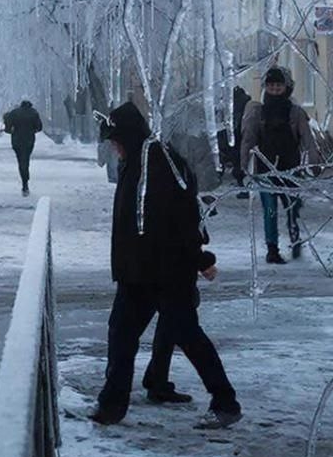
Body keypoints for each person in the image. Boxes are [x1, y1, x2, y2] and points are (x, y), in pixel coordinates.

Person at [90, 101, 241, 430]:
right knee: (121, 334)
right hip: (139, 272)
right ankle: (112, 405)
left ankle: (226, 403)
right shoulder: (138, 159)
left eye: (114, 141)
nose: (113, 148)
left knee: (188, 336)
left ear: (127, 136)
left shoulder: (157, 162)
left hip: (167, 272)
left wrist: (201, 260)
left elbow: (182, 216)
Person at [240, 66, 317, 264]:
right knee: (270, 210)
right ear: (266, 87)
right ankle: (272, 249)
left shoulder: (295, 112)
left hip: (290, 169)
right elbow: (248, 140)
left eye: (278, 86)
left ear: (286, 87)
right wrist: (243, 166)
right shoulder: (258, 111)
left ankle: (295, 237)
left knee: (293, 206)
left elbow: (307, 138)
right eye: (271, 86)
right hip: (265, 170)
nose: (274, 89)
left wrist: (314, 163)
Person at [2, 99, 42, 196]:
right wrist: (31, 130)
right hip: (29, 140)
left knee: (20, 161)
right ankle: (25, 181)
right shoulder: (34, 113)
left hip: (17, 140)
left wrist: (12, 131)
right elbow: (39, 127)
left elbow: (7, 127)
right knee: (26, 159)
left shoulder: (14, 113)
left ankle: (24, 181)